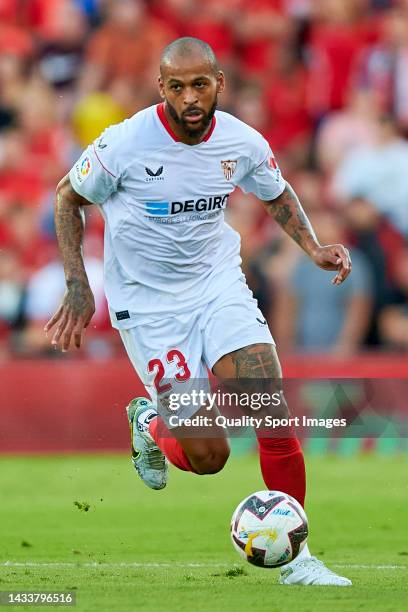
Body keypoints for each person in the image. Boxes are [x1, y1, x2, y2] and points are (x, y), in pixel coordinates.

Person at [45, 37, 352, 586]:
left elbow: (276, 193)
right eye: (178, 86)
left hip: (217, 287)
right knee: (210, 457)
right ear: (161, 87)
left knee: (270, 412)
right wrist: (79, 284)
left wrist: (312, 247)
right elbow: (68, 195)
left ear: (219, 84)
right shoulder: (125, 143)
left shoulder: (242, 142)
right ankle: (151, 420)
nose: (190, 96)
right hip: (151, 309)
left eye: (201, 84)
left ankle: (299, 559)